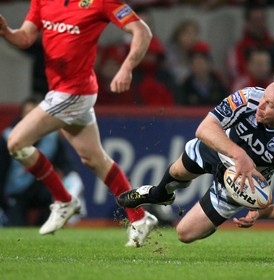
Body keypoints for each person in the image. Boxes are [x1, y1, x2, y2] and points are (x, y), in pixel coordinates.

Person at [0, 0, 158, 247]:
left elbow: (142, 31)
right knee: (94, 159)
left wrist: (127, 67)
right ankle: (139, 217)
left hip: (74, 93)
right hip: (61, 90)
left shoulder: (100, 2)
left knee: (16, 142)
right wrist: (7, 33)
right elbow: (26, 37)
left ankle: (64, 200)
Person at [117, 78, 274, 243]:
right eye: (264, 98)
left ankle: (213, 221)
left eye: (271, 105)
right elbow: (205, 128)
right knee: (177, 173)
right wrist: (239, 155)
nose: (261, 106)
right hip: (220, 148)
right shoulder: (248, 97)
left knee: (184, 234)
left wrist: (260, 213)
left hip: (241, 181)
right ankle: (159, 194)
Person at [0, 96, 86, 226]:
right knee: (15, 227)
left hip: (43, 191)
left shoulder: (52, 138)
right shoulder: (9, 138)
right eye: (27, 114)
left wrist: (73, 186)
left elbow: (67, 166)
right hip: (16, 193)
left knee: (51, 224)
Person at [226, 4, 274, 82]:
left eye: (261, 20)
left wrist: (272, 79)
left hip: (273, 86)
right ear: (247, 22)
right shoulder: (238, 48)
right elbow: (235, 73)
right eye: (255, 20)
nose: (259, 24)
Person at [178, 42, 228, 106]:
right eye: (196, 63)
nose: (199, 67)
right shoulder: (185, 88)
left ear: (209, 64)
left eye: (202, 63)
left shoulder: (219, 85)